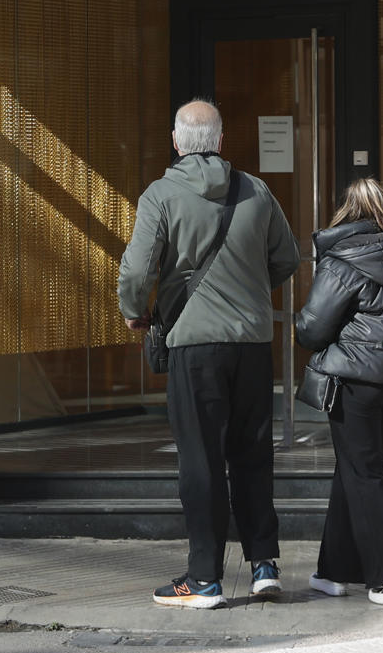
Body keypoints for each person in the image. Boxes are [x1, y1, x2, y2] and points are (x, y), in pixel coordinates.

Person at [118, 99, 300, 609]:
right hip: (252, 344)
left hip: (194, 346)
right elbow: (286, 258)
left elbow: (137, 271)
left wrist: (134, 311)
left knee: (200, 459)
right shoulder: (257, 191)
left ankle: (204, 579)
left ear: (176, 143)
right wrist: (249, 292)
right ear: (220, 142)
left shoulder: (160, 195)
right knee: (253, 454)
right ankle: (264, 566)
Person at [294, 178, 383, 604]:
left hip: (355, 381)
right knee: (354, 471)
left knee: (365, 474)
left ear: (346, 212)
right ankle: (334, 571)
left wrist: (301, 325)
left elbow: (312, 328)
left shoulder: (342, 260)